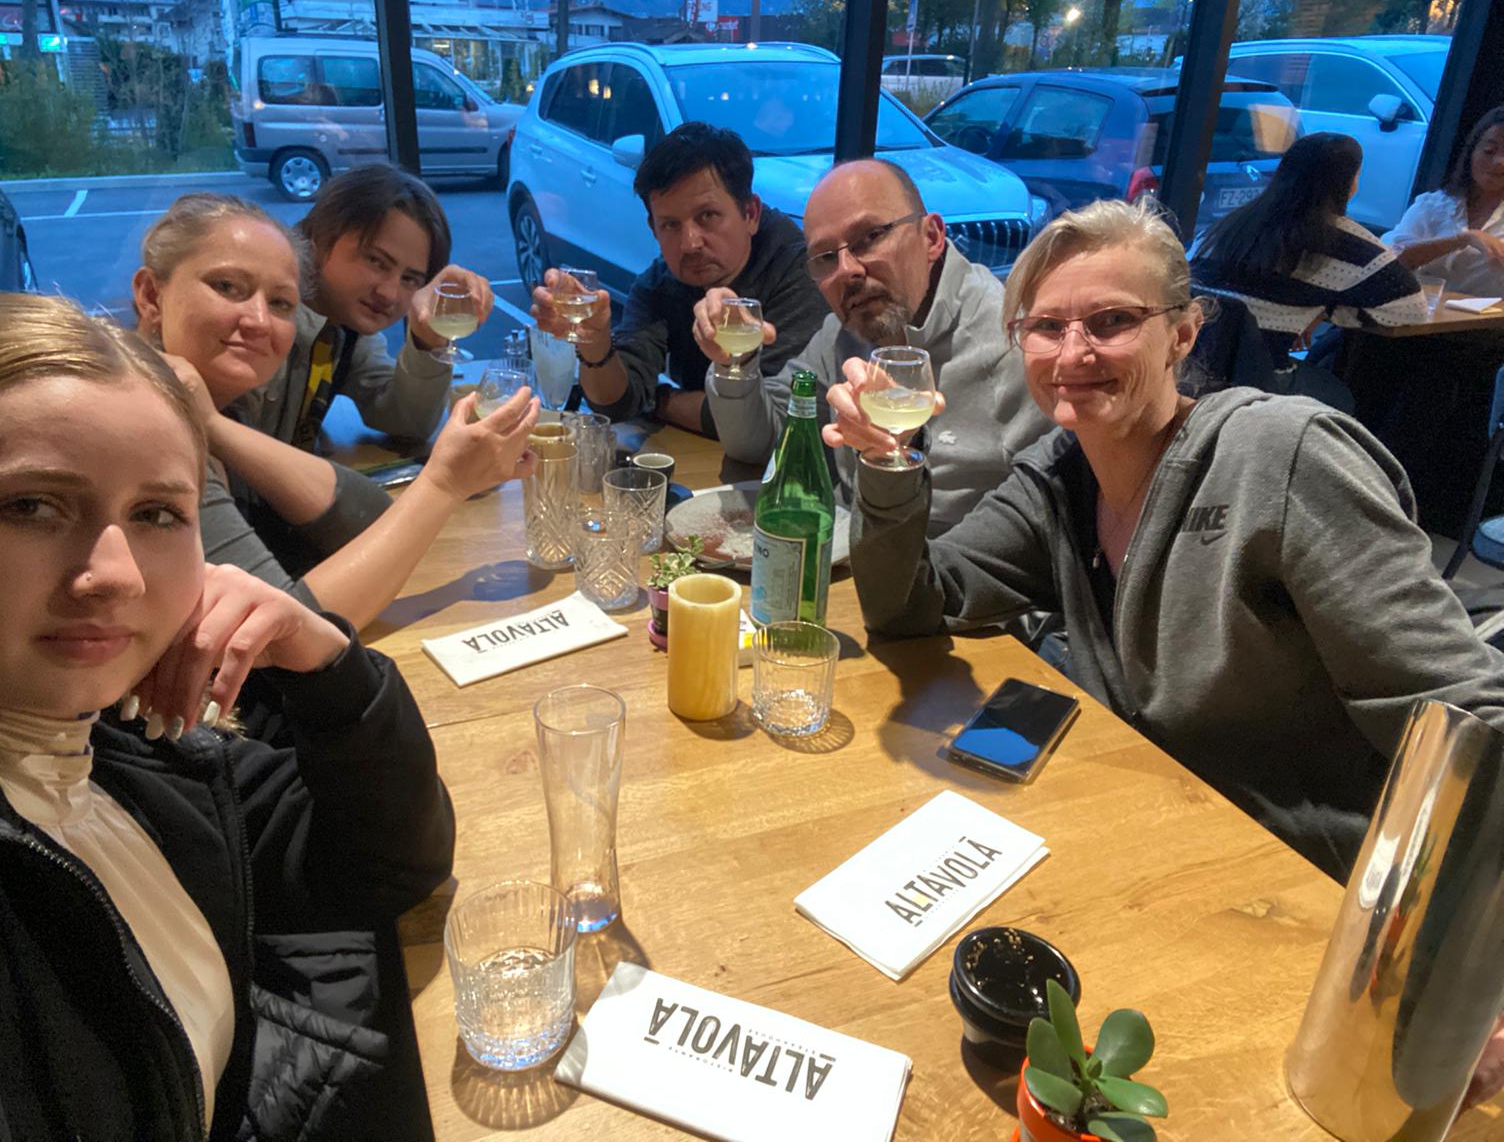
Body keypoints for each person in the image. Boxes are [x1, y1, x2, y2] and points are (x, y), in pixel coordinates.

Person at [0, 293, 454, 1138]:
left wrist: (330, 666)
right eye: (30, 506)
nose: (118, 575)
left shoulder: (125, 742)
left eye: (157, 514)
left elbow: (387, 865)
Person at [835, 198, 1504, 882]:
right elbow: (907, 605)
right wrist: (888, 462)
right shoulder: (1056, 481)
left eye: (1113, 321)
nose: (1073, 353)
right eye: (1045, 327)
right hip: (1148, 842)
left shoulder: (1282, 456)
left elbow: (1468, 722)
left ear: (1183, 334)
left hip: (1305, 881)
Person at [133, 193, 540, 629]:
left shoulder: (322, 344)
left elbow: (377, 498)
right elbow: (281, 635)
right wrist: (447, 482)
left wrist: (215, 426)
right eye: (227, 287)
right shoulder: (146, 428)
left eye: (281, 303)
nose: (258, 321)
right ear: (151, 295)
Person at [702, 159, 1051, 536]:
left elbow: (1047, 534)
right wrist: (735, 360)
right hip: (840, 555)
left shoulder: (1018, 350)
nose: (847, 270)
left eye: (870, 237)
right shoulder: (842, 333)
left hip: (940, 568)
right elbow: (759, 443)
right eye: (825, 257)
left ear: (931, 237)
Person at [529, 122, 828, 437]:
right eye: (671, 225)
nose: (690, 243)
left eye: (707, 216)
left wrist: (659, 400)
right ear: (653, 229)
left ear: (751, 213)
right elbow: (616, 403)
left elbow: (759, 416)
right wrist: (595, 342)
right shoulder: (659, 284)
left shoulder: (803, 273)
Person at [232, 163, 495, 450]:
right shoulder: (255, 323)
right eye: (376, 262)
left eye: (410, 279)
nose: (389, 293)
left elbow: (407, 422)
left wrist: (427, 339)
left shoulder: (345, 330)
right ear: (319, 238)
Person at [1190, 132, 1427, 355]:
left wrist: (1315, 309)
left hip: (1192, 363)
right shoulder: (1349, 246)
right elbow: (1411, 309)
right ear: (1348, 183)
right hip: (1260, 374)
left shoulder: (1230, 225)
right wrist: (1325, 310)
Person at [1383, 105, 1504, 297]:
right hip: (1416, 311)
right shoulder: (1434, 205)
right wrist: (1461, 239)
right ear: (1472, 151)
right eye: (1489, 151)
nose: (1499, 161)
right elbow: (1387, 259)